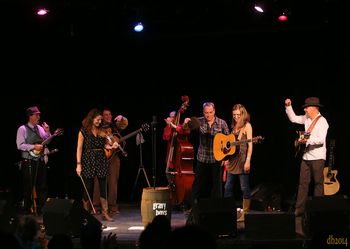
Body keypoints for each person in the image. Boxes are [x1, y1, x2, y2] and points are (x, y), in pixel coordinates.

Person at [285, 97, 329, 217]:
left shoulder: (322, 121)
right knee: (303, 184)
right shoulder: (306, 119)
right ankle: (299, 211)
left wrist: (305, 140)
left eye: (307, 107)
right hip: (306, 157)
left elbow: (320, 140)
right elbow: (293, 119)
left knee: (318, 184)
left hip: (318, 157)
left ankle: (318, 211)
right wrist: (288, 106)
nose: (305, 109)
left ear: (315, 108)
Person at [76, 108, 118, 221]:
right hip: (88, 159)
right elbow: (79, 148)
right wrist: (78, 164)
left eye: (101, 120)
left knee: (103, 186)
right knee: (88, 187)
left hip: (101, 159)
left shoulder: (103, 131)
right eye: (98, 120)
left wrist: (112, 146)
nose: (100, 122)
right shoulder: (83, 131)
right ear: (92, 118)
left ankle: (105, 213)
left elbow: (106, 145)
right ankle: (86, 213)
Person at [191, 102, 230, 202]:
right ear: (203, 112)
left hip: (216, 159)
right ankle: (193, 207)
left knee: (217, 186)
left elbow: (228, 141)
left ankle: (217, 207)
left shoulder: (222, 123)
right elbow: (186, 128)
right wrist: (187, 122)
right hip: (202, 157)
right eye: (206, 112)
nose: (208, 115)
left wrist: (226, 158)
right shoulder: (199, 121)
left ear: (214, 111)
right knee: (198, 184)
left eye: (210, 112)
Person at [16, 106, 51, 215]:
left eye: (39, 115)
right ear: (30, 116)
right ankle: (27, 210)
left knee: (42, 186)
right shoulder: (22, 129)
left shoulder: (40, 128)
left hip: (39, 160)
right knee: (28, 187)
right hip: (29, 161)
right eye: (37, 115)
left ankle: (42, 210)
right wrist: (33, 146)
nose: (39, 117)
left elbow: (46, 142)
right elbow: (19, 145)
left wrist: (48, 132)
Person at [93, 107, 128, 215]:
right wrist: (106, 145)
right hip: (101, 157)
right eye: (106, 115)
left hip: (114, 158)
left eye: (110, 114)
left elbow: (124, 124)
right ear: (102, 117)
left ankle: (112, 206)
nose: (108, 116)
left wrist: (122, 118)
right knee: (98, 182)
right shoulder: (98, 126)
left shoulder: (114, 127)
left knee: (113, 182)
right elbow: (94, 140)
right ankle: (96, 206)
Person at [223, 104, 253, 222]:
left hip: (242, 160)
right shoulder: (233, 126)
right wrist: (226, 158)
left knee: (244, 187)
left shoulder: (247, 126)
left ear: (243, 114)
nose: (236, 117)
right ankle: (227, 210)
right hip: (232, 160)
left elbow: (250, 145)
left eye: (238, 115)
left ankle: (245, 213)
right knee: (228, 187)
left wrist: (248, 161)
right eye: (234, 115)